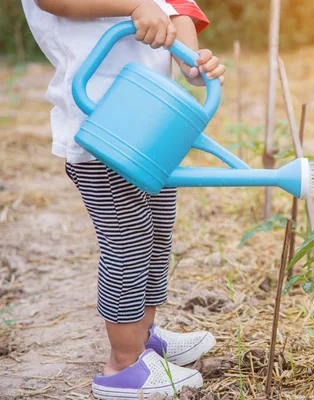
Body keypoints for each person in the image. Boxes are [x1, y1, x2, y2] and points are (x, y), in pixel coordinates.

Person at [21, 1, 226, 398]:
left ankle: (143, 337)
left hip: (154, 121)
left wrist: (192, 64)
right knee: (129, 242)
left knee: (157, 237)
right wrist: (134, 5)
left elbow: (177, 9)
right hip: (102, 126)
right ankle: (123, 365)